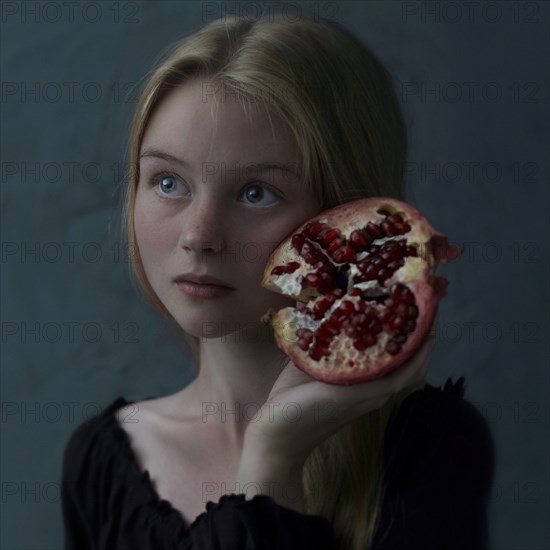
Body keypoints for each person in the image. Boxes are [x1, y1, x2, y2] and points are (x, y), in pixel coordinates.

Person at [60, 14, 495, 550]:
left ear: (346, 215)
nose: (199, 236)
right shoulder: (100, 463)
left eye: (256, 193)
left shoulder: (430, 449)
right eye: (168, 182)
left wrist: (273, 460)